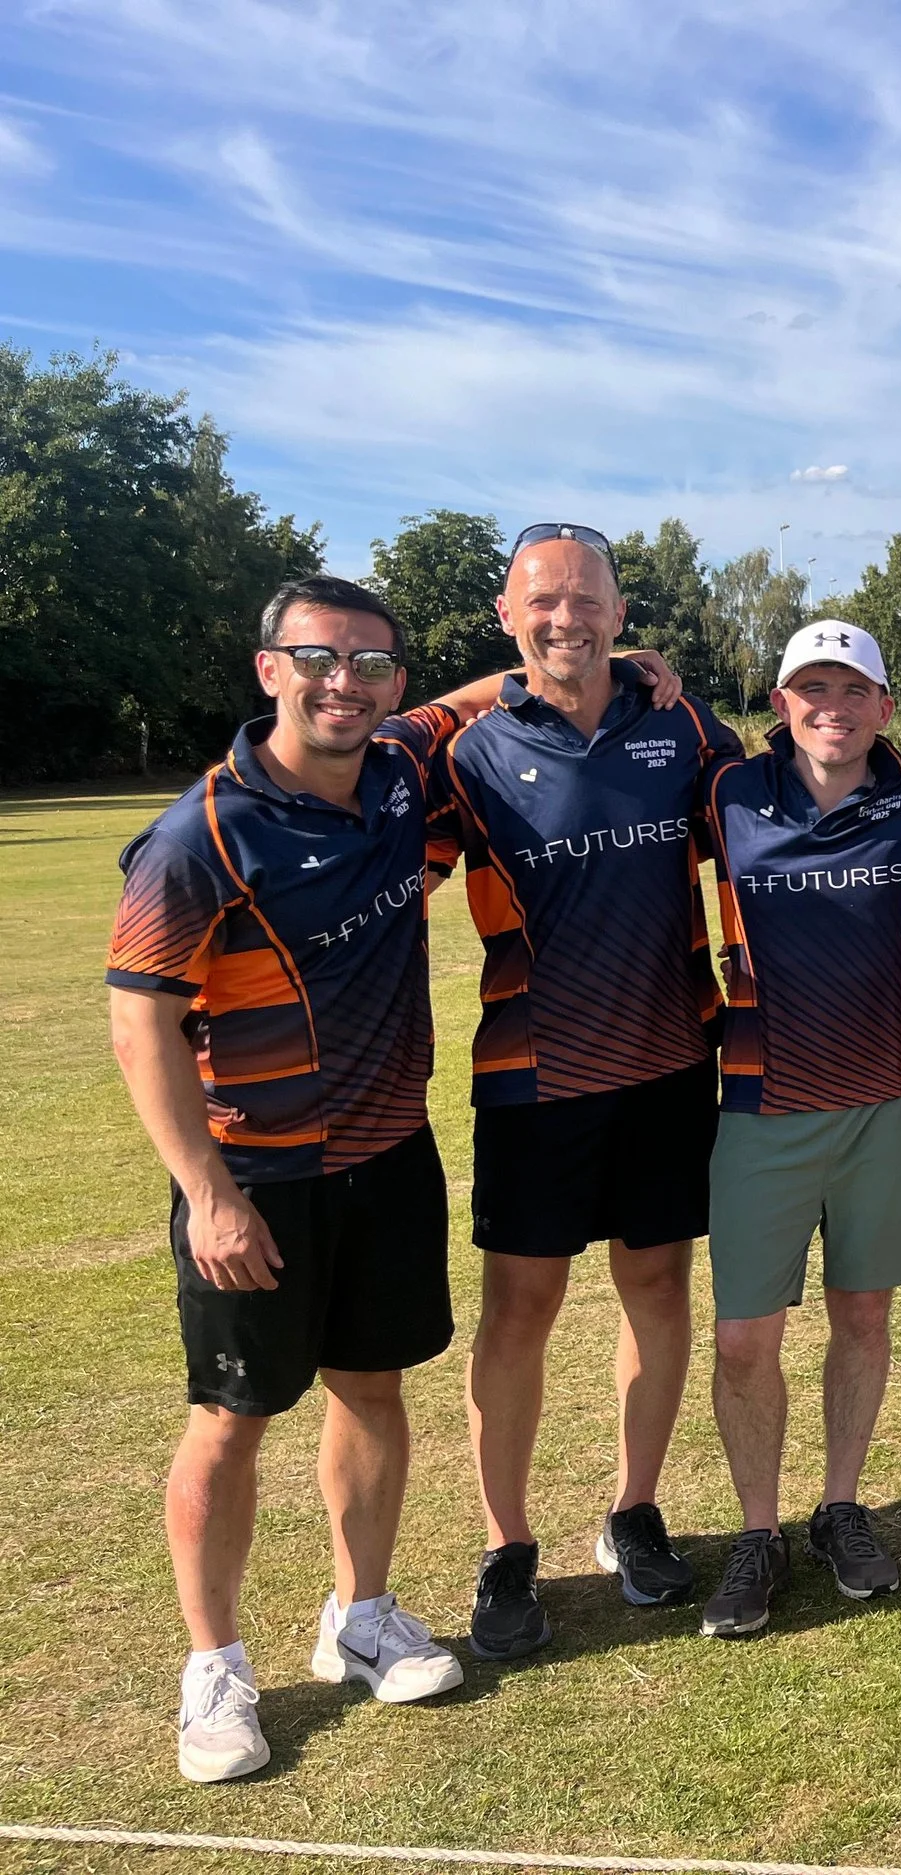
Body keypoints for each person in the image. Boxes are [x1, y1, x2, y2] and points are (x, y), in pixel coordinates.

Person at [105, 576, 494, 1780]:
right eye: (319, 659)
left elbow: (491, 690)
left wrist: (638, 672)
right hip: (256, 1180)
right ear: (270, 667)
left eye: (373, 664)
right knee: (230, 1421)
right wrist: (208, 1193)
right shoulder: (198, 836)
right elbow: (140, 1027)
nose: (347, 683)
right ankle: (214, 1667)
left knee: (372, 1390)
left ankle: (359, 1617)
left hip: (387, 1155)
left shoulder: (395, 769)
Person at [431, 523, 745, 1658]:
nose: (566, 618)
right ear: (509, 619)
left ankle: (632, 1510)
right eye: (542, 603)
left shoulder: (680, 724)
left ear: (621, 614)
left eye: (586, 600)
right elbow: (342, 745)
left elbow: (789, 793)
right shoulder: (462, 750)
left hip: (670, 1067)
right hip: (533, 1079)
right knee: (520, 1310)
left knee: (657, 1289)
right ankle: (507, 1547)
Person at [692, 620, 901, 1638]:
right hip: (761, 1105)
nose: (832, 708)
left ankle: (840, 1507)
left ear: (884, 707)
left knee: (863, 1318)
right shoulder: (723, 793)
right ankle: (757, 1533)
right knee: (740, 1339)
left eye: (853, 690)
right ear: (780, 704)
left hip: (885, 1101)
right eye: (811, 689)